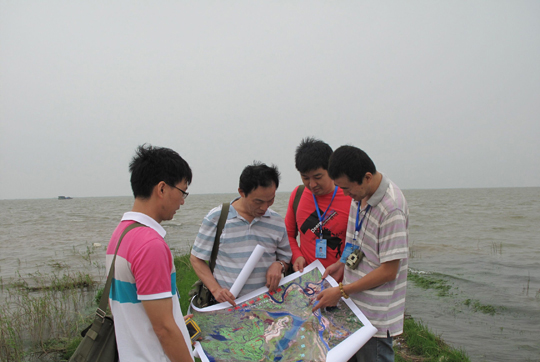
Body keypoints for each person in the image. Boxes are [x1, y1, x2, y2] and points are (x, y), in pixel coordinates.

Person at [312, 145, 409, 362]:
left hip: (375, 316)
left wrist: (341, 291)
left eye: (347, 188)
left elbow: (388, 271)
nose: (345, 194)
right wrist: (341, 263)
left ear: (366, 177)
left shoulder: (391, 209)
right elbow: (356, 242)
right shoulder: (359, 197)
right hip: (354, 306)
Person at [106, 144, 194, 362]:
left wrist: (176, 320)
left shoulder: (120, 235)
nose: (183, 201)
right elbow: (163, 329)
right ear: (162, 189)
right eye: (182, 192)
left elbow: (128, 308)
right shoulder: (150, 245)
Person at [190, 162, 292, 306]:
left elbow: (285, 258)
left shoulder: (276, 221)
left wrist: (279, 265)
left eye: (270, 200)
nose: (264, 207)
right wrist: (216, 290)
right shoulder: (217, 218)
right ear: (242, 192)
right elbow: (197, 259)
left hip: (267, 304)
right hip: (227, 306)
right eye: (258, 201)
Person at [285, 138, 352, 279]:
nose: (312, 184)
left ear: (331, 170)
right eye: (305, 178)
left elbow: (359, 241)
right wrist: (297, 256)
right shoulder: (298, 195)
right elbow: (288, 236)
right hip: (308, 281)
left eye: (318, 177)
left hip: (342, 283)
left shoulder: (350, 196)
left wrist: (343, 262)